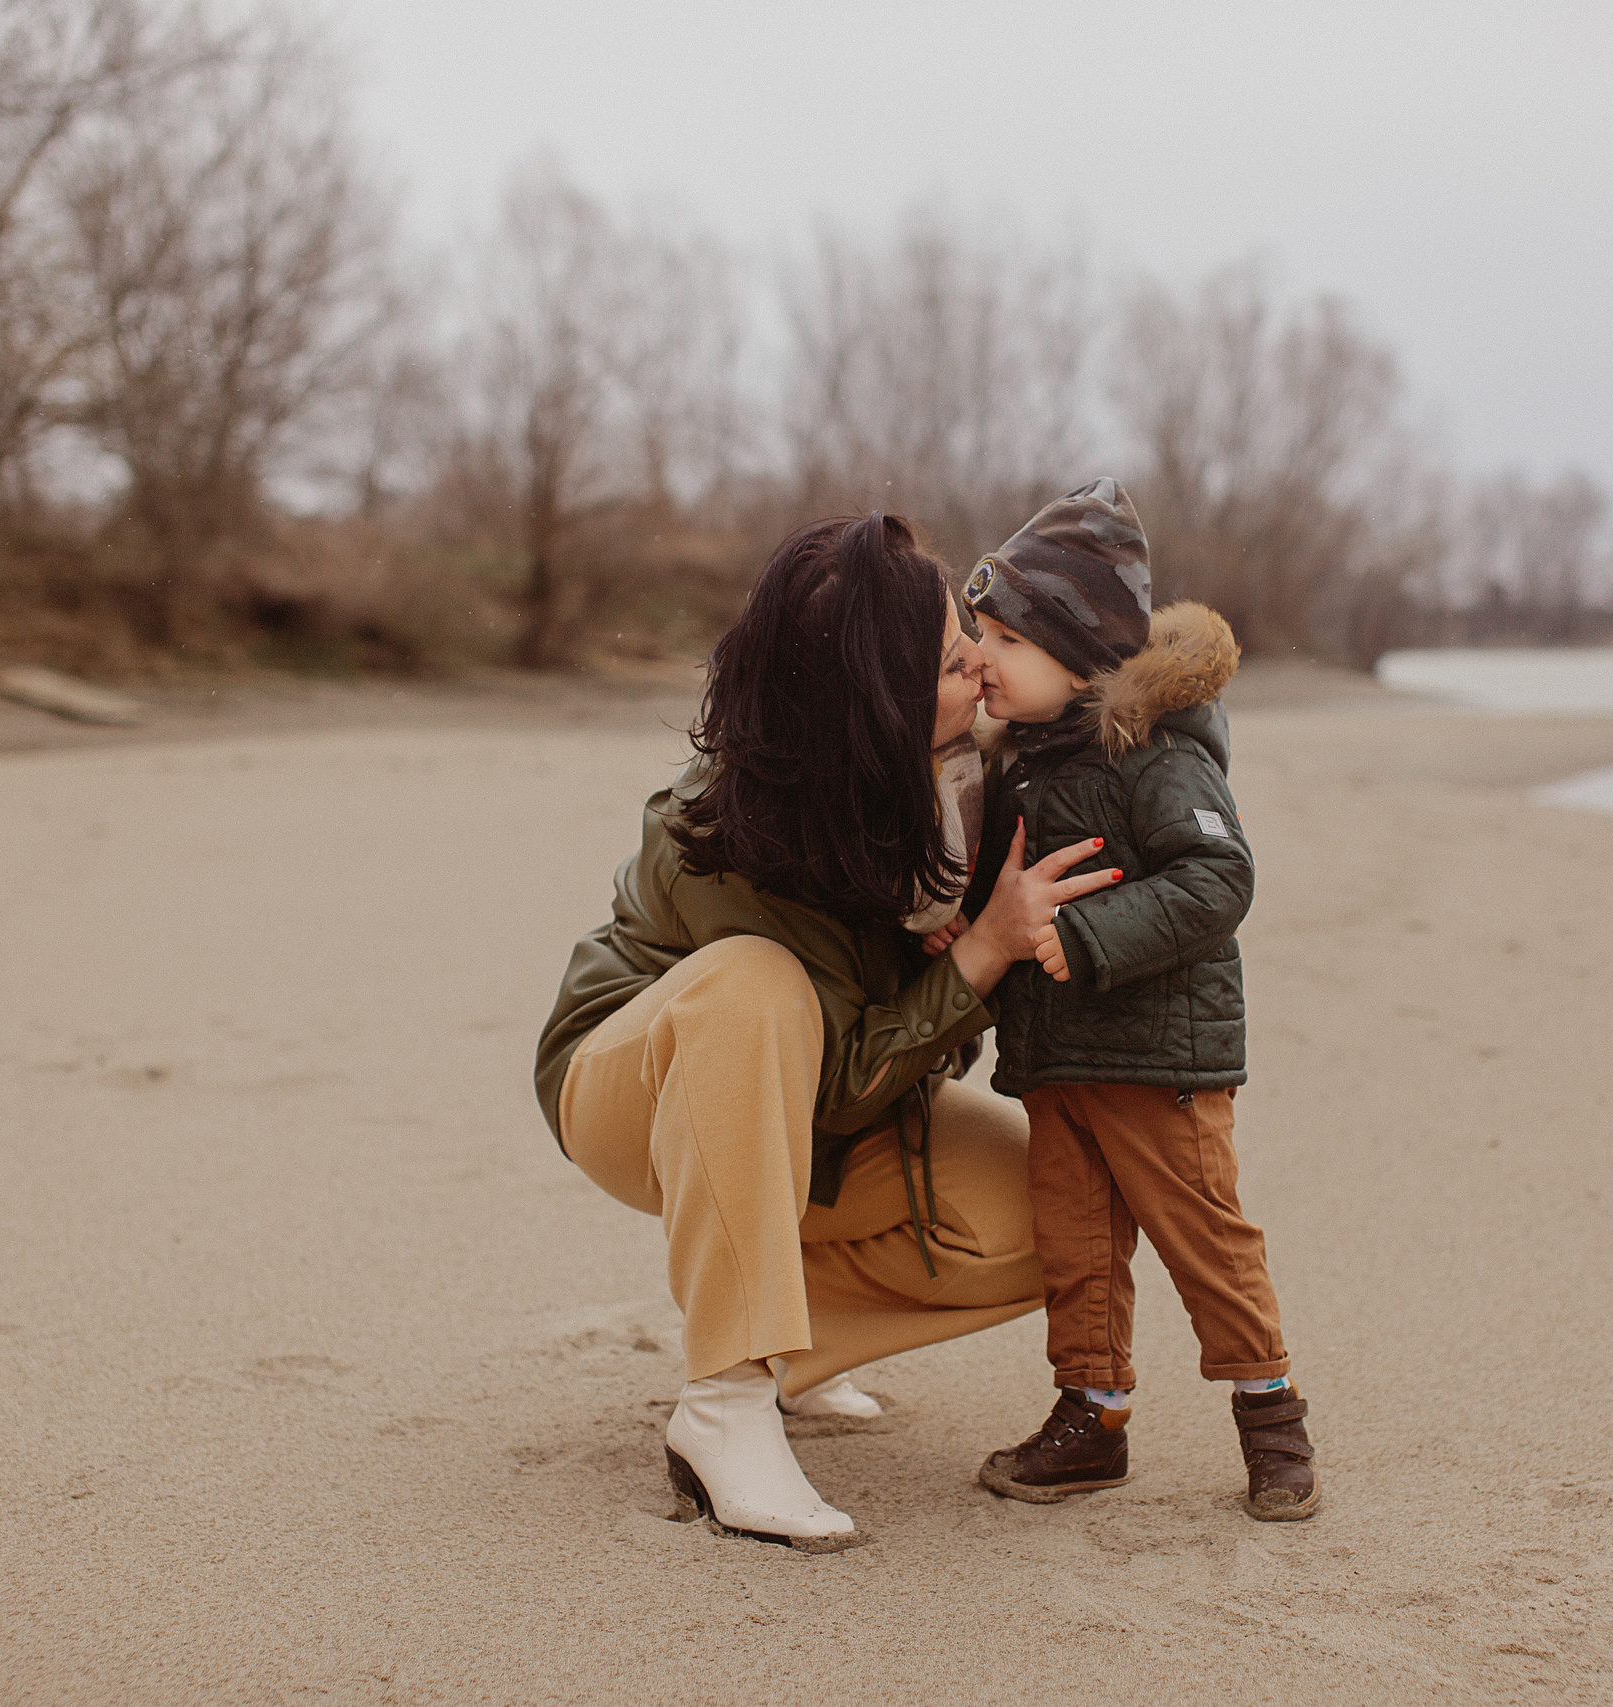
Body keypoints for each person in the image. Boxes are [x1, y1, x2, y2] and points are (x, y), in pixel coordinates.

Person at [533, 513, 1121, 1552]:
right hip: (632, 1086)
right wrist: (980, 953)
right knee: (754, 988)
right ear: (877, 706)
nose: (982, 665)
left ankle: (777, 1347)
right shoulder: (727, 831)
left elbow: (895, 1066)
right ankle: (725, 1404)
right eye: (950, 660)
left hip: (820, 1115)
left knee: (1072, 1208)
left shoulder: (954, 784)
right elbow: (831, 1088)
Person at [956, 479, 1317, 1522]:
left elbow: (1218, 880)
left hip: (1160, 1062)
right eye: (974, 636)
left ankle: (1272, 1416)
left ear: (1073, 650)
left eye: (999, 639)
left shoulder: (1151, 752)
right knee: (1075, 1251)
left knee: (1205, 1241)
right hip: (1061, 1058)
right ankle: (1090, 1417)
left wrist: (1083, 936)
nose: (981, 658)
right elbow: (1006, 884)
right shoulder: (1024, 758)